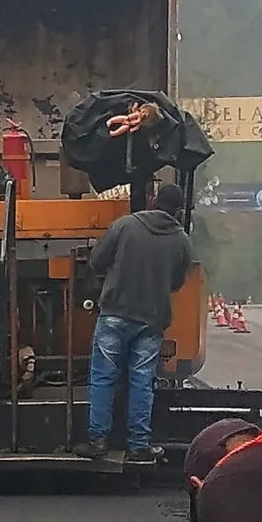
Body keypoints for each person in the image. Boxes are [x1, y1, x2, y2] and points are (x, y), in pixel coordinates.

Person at [77, 180, 192, 466]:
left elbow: (97, 260)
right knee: (142, 382)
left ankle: (97, 441)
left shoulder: (125, 226)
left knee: (103, 376)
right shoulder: (181, 241)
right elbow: (177, 282)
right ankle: (139, 445)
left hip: (115, 313)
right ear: (178, 211)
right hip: (151, 321)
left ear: (153, 201)